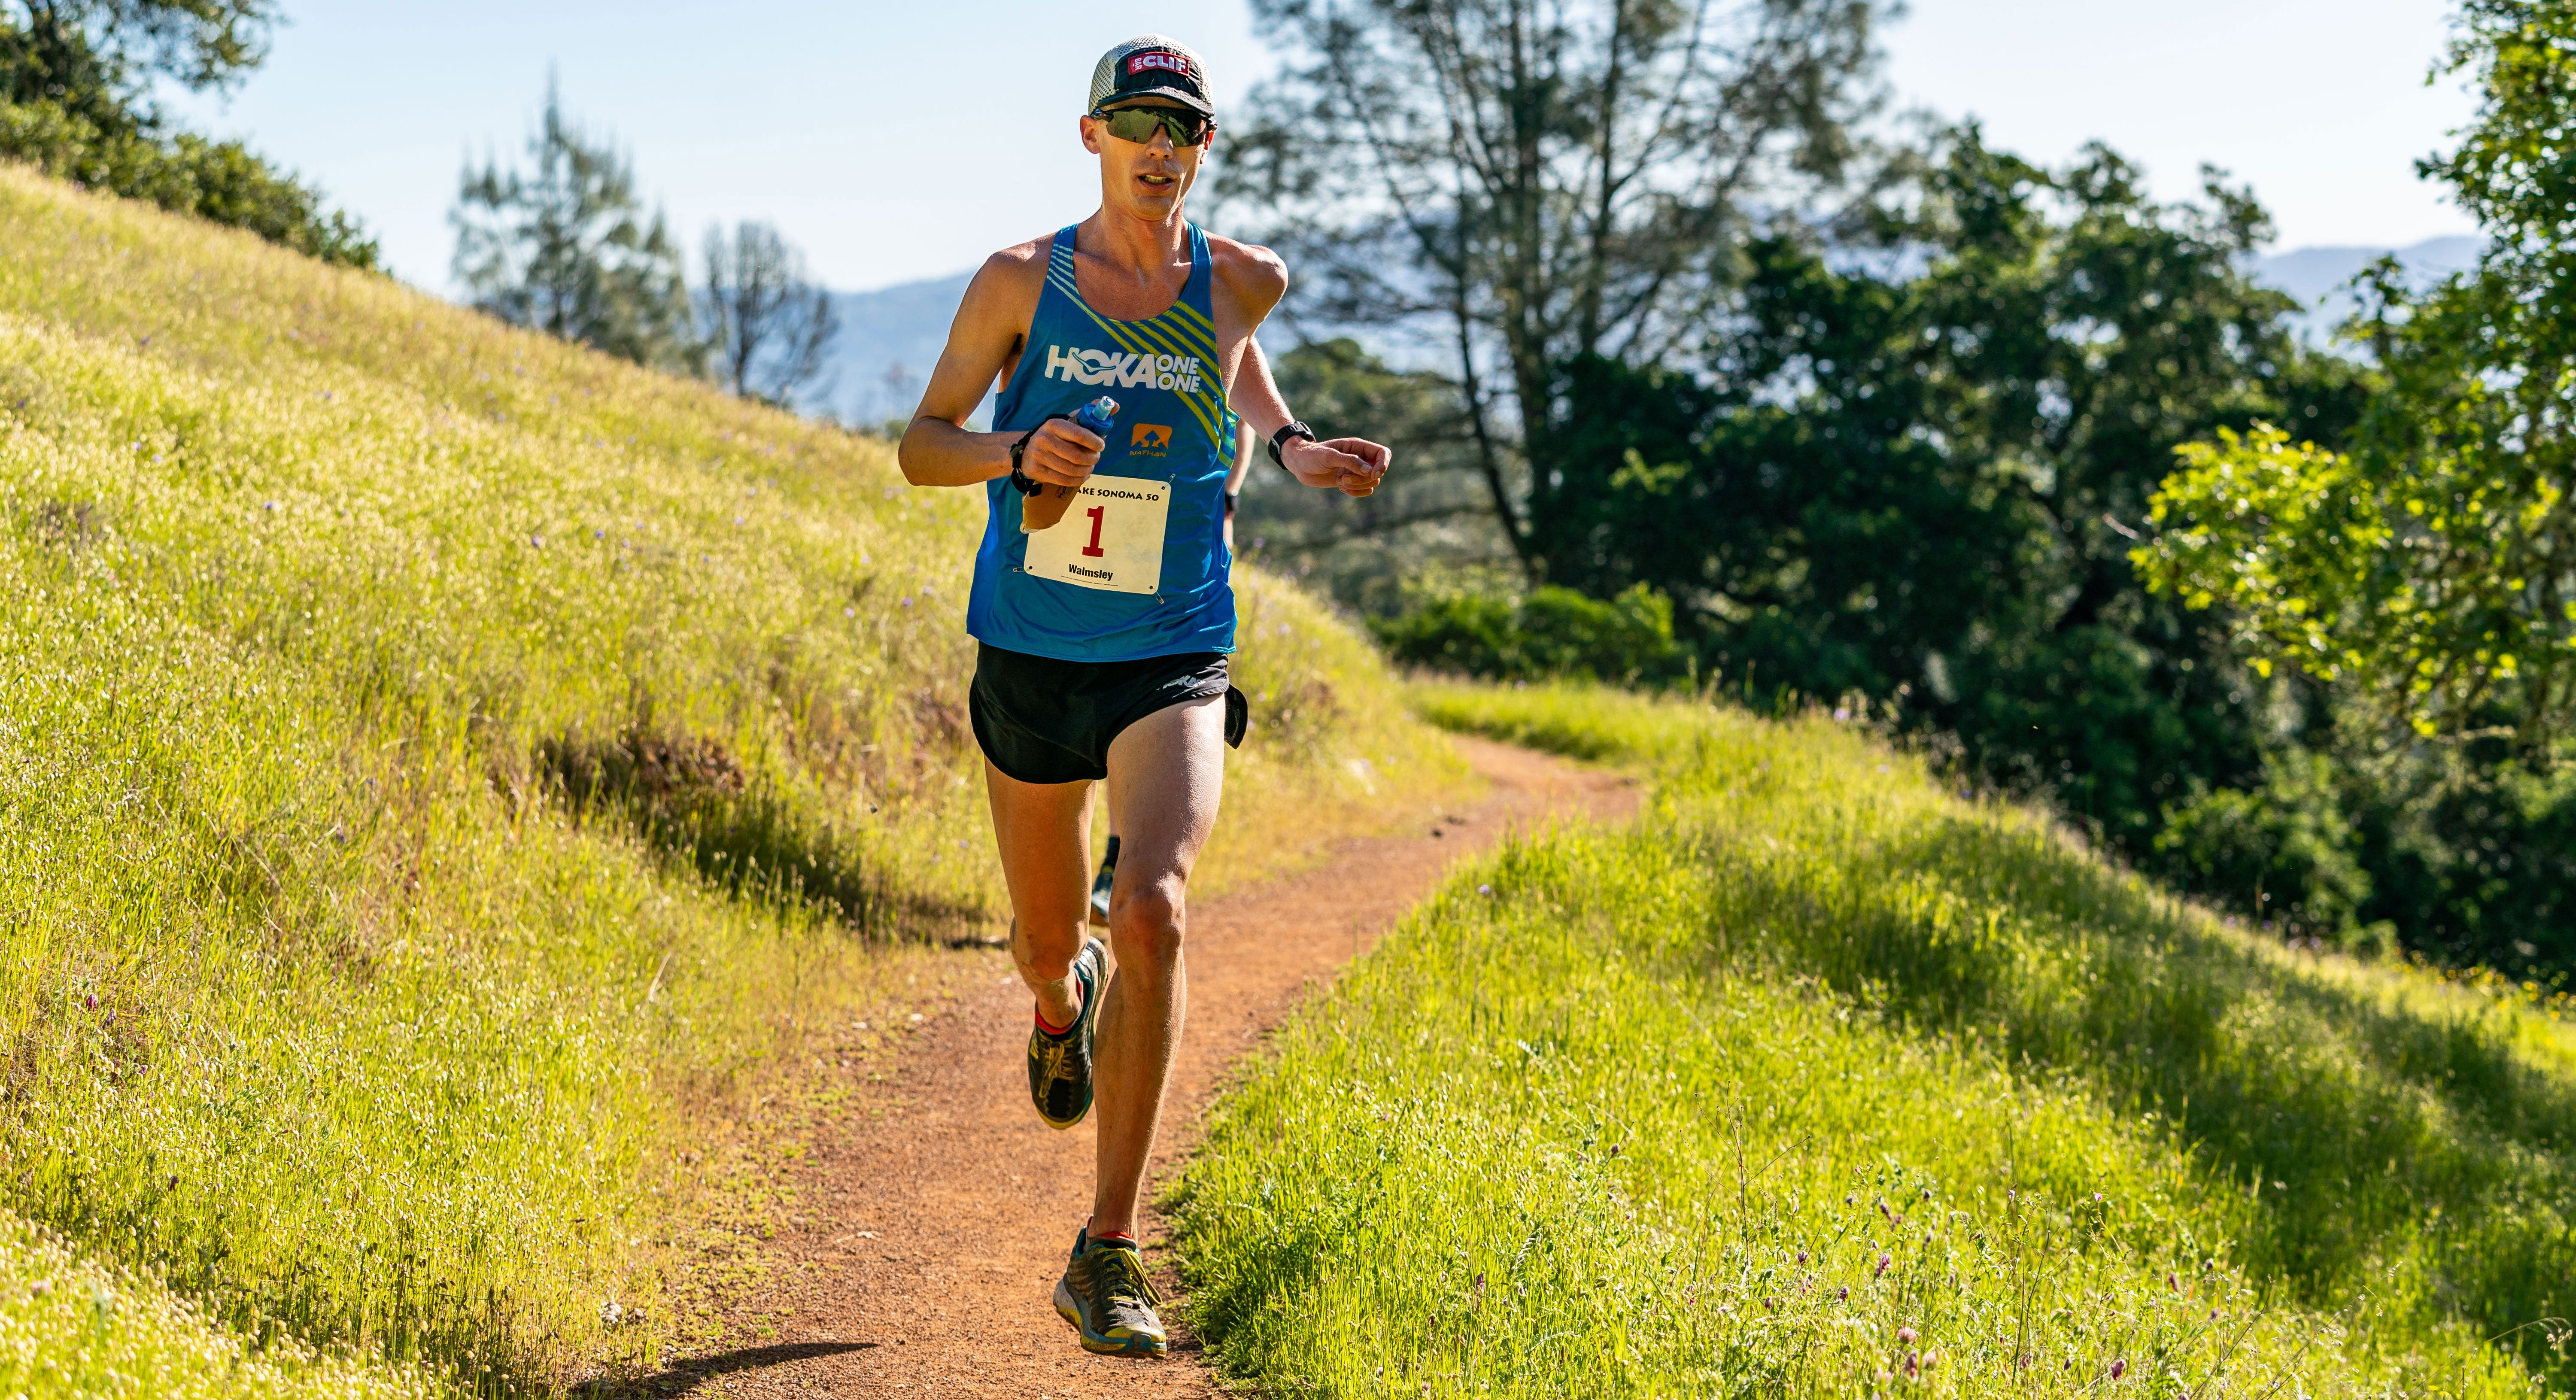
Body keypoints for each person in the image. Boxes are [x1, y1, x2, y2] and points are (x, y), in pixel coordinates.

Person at [896, 35, 1390, 1359]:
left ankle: (1105, 1247)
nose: (1157, 147)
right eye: (1135, 124)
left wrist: (1287, 447)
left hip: (1175, 636)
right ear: (1090, 136)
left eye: (1180, 127)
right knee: (1045, 941)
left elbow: (1227, 361)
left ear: (1203, 149)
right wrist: (1014, 449)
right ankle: (1061, 1010)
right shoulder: (1019, 281)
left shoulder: (1244, 278)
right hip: (1031, 645)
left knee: (1157, 904)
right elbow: (918, 445)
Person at [1086, 419, 1251, 928]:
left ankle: (1122, 862)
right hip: (1093, 513)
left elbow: (1239, 410)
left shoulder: (1219, 343)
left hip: (1184, 532)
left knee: (1143, 696)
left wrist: (1227, 498)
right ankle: (1082, 876)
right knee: (1092, 686)